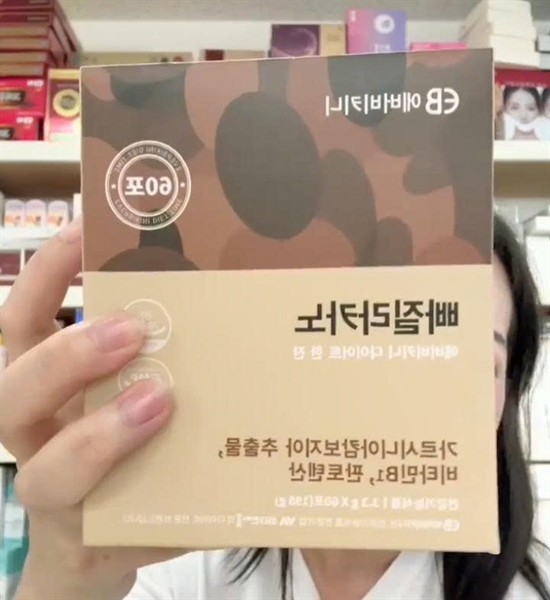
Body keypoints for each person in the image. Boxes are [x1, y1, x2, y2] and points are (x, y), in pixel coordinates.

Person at [0, 214, 549, 600]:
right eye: (354, 333)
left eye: (465, 361)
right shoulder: (174, 566)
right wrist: (64, 577)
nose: (392, 390)